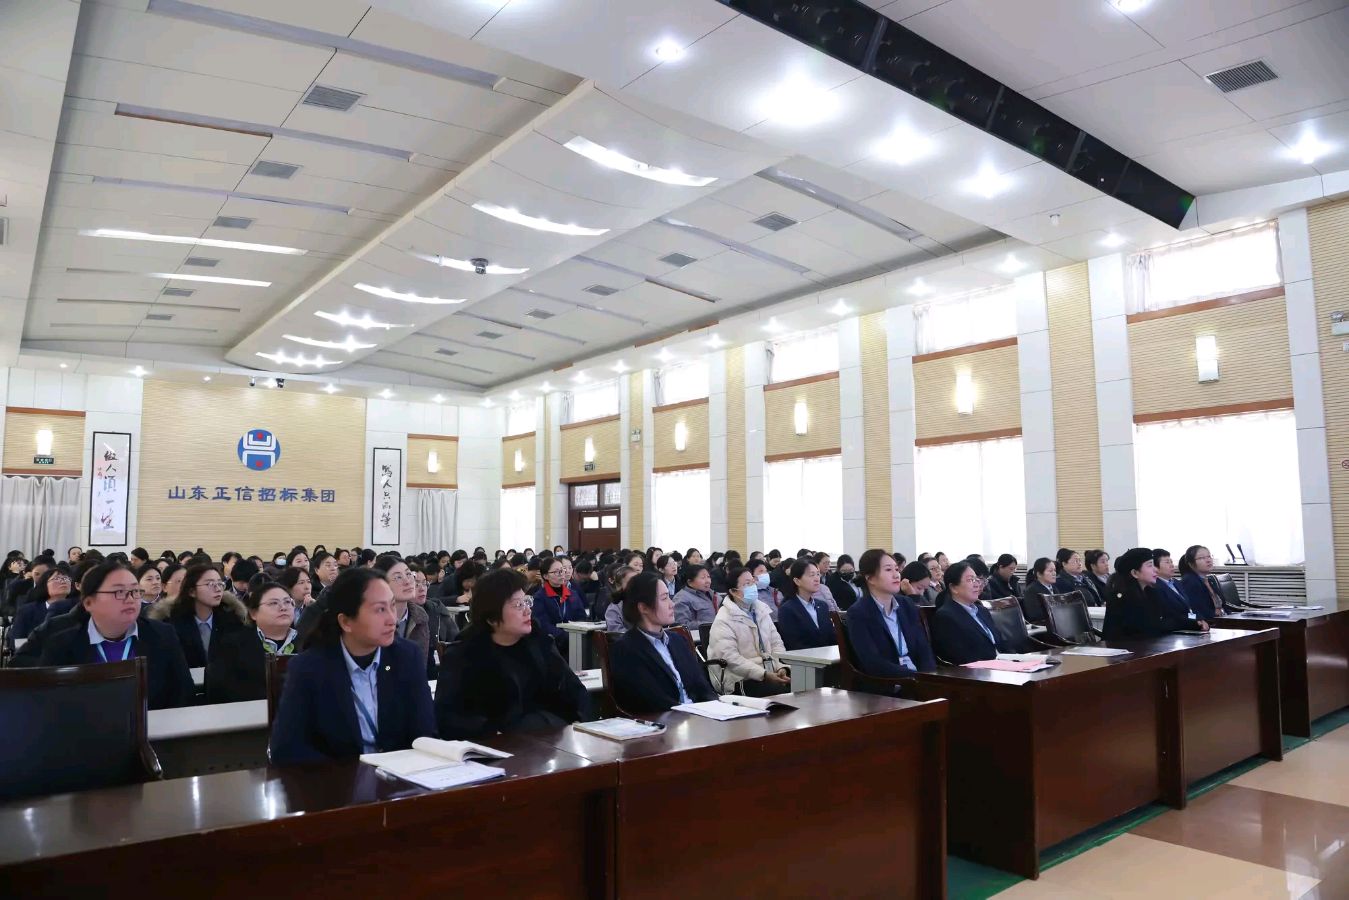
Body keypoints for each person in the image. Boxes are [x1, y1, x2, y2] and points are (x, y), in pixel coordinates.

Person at [269, 568, 435, 764]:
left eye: (392, 606)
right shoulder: (309, 668)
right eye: (380, 610)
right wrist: (351, 775)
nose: (392, 619)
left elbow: (425, 732)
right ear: (346, 622)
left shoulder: (407, 656)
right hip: (338, 779)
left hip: (400, 775)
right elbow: (286, 749)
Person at [436, 568, 593, 739]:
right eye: (518, 605)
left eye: (527, 602)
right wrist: (492, 733)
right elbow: (448, 718)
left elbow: (575, 691)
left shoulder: (540, 642)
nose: (527, 610)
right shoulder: (463, 654)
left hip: (551, 740)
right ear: (492, 617)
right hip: (495, 745)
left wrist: (579, 723)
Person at [37, 561, 194, 709]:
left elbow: (184, 693)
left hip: (153, 725)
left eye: (135, 591)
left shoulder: (163, 635)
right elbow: (48, 703)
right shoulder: (61, 645)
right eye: (119, 592)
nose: (130, 599)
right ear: (89, 602)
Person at [607, 571, 717, 712]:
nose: (672, 604)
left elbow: (701, 686)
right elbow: (652, 700)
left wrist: (716, 708)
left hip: (698, 715)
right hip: (668, 718)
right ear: (644, 608)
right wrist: (692, 713)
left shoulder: (677, 640)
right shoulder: (626, 649)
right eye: (664, 598)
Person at [842, 549, 935, 692]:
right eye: (888, 569)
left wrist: (928, 677)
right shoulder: (859, 613)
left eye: (896, 569)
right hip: (886, 686)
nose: (896, 574)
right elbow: (872, 662)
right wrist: (913, 677)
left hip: (918, 681)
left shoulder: (906, 605)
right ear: (870, 578)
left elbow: (924, 648)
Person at [204, 581, 298, 704]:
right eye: (273, 603)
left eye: (287, 602)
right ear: (253, 613)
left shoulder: (310, 642)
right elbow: (221, 691)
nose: (283, 607)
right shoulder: (232, 645)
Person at [708, 567, 790, 696]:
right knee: (781, 692)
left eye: (753, 582)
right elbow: (730, 658)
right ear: (733, 591)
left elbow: (776, 643)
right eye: (747, 584)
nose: (753, 586)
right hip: (739, 678)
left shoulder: (762, 610)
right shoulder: (724, 619)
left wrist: (780, 667)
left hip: (769, 671)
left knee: (804, 682)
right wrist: (763, 674)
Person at [149, 564, 247, 668]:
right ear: (192, 591)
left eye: (220, 583)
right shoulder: (171, 624)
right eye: (210, 584)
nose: (218, 589)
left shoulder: (232, 620)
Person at [1103, 547, 1209, 640]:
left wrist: (1195, 620)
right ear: (1135, 573)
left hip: (1150, 646)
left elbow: (1171, 617)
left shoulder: (1152, 591)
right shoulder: (1122, 597)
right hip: (1127, 650)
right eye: (1150, 566)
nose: (1155, 570)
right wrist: (1190, 622)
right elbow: (1151, 626)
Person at [930, 561, 1009, 665]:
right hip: (979, 670)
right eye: (970, 580)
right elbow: (959, 657)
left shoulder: (982, 611)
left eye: (976, 579)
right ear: (953, 588)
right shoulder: (945, 617)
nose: (977, 584)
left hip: (1002, 664)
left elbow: (1000, 643)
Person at [375, 555, 430, 664]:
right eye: (398, 577)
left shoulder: (420, 616)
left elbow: (423, 662)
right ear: (382, 584)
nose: (407, 581)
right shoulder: (375, 619)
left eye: (408, 574)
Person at [776, 558, 836, 650]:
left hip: (829, 656)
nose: (817, 579)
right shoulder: (787, 609)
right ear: (797, 581)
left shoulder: (822, 606)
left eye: (818, 574)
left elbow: (832, 637)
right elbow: (794, 644)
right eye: (812, 575)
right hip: (804, 657)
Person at [530, 555, 586, 646]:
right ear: (546, 576)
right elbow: (543, 624)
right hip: (552, 643)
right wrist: (564, 636)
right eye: (556, 572)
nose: (562, 574)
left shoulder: (572, 594)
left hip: (575, 638)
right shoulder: (539, 598)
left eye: (562, 570)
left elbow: (581, 617)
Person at [10, 568, 77, 641]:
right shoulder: (27, 611)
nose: (63, 581)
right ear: (45, 585)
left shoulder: (78, 608)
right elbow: (17, 640)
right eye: (57, 578)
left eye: (66, 578)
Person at [1153, 547, 1207, 624]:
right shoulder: (1156, 587)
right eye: (1167, 562)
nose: (1172, 565)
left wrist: (1199, 619)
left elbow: (1190, 609)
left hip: (1191, 623)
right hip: (1177, 627)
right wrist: (1195, 622)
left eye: (1171, 562)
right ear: (1155, 567)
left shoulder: (1176, 583)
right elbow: (1172, 615)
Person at [1178, 545, 1225, 620]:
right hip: (1209, 622)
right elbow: (1195, 611)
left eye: (1209, 556)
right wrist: (1215, 614)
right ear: (1191, 563)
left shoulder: (1209, 579)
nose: (1208, 560)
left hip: (1221, 618)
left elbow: (1222, 605)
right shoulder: (1190, 581)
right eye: (1202, 558)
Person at [673, 563, 718, 630]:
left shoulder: (712, 594)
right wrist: (709, 625)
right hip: (699, 635)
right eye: (703, 578)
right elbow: (682, 625)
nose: (708, 581)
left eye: (708, 577)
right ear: (689, 582)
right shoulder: (681, 598)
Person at [603, 565, 638, 633]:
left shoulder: (645, 602)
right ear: (619, 586)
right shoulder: (614, 609)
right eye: (631, 582)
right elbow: (616, 634)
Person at [1022, 558, 1057, 625]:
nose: (1054, 573)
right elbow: (1035, 615)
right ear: (1039, 574)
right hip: (1043, 626)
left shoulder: (1055, 588)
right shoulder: (1031, 590)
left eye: (1054, 570)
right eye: (1050, 571)